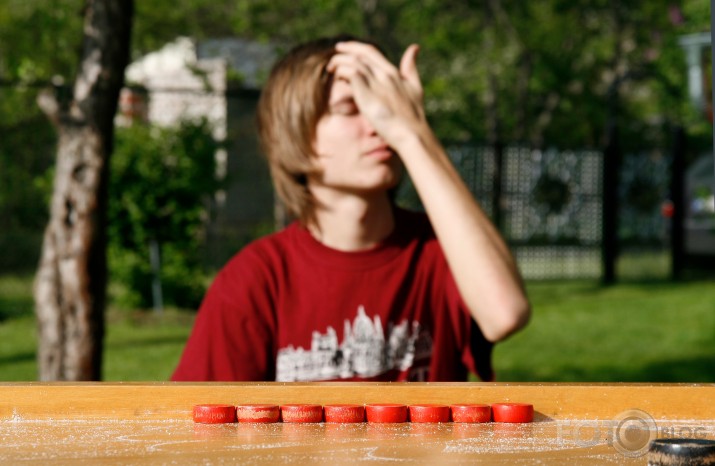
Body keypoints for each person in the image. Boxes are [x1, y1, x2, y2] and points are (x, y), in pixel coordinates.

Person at [171, 35, 530, 382]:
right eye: (350, 108)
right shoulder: (254, 282)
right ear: (295, 135)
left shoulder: (442, 252)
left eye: (384, 109)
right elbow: (197, 431)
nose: (379, 125)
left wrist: (413, 133)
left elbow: (505, 313)